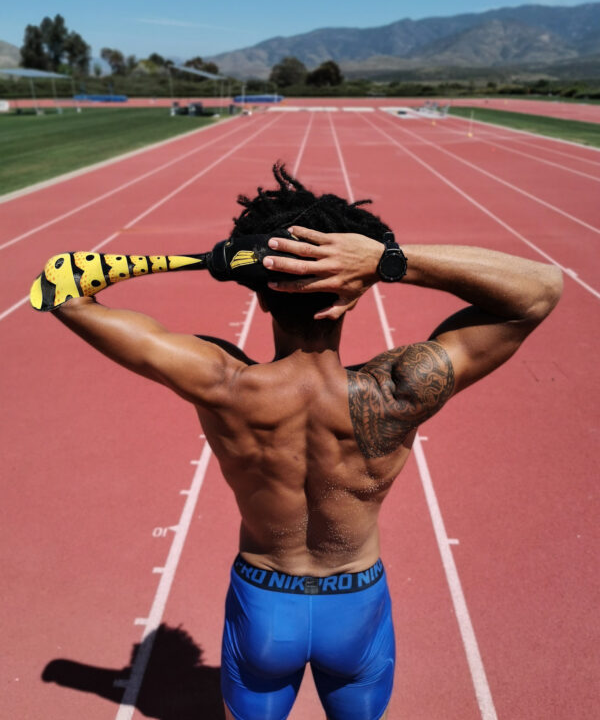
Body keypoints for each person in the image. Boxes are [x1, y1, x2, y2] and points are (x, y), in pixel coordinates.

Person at [44, 164, 562, 720]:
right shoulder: (400, 388)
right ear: (352, 297)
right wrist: (385, 261)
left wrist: (204, 262)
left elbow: (62, 290)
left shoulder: (221, 381)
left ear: (262, 301)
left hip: (265, 603)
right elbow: (539, 290)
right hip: (355, 604)